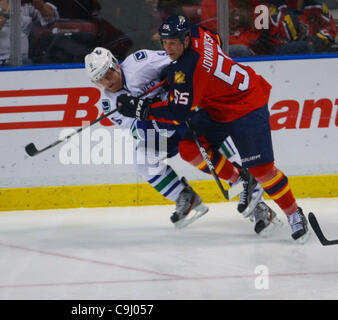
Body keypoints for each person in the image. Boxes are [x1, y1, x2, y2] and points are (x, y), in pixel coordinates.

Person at [116, 15, 309, 243]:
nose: (168, 49)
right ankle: (241, 179)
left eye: (173, 43)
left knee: (263, 170)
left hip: (246, 104)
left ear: (186, 39)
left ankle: (294, 213)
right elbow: (215, 39)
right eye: (165, 43)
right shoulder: (198, 33)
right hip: (218, 106)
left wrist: (141, 109)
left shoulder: (187, 70)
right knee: (189, 148)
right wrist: (177, 78)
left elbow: (178, 114)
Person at [85, 46, 280, 235]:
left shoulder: (141, 63)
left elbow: (181, 60)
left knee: (217, 156)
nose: (107, 82)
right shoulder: (109, 103)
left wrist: (173, 77)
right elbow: (137, 132)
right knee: (142, 161)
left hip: (186, 113)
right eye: (100, 80)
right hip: (163, 127)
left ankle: (258, 208)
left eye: (108, 74)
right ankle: (185, 197)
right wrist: (142, 111)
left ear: (115, 65)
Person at [0, 0, 59, 66]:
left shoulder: (23, 3)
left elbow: (51, 20)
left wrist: (40, 6)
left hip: (23, 63)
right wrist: (7, 12)